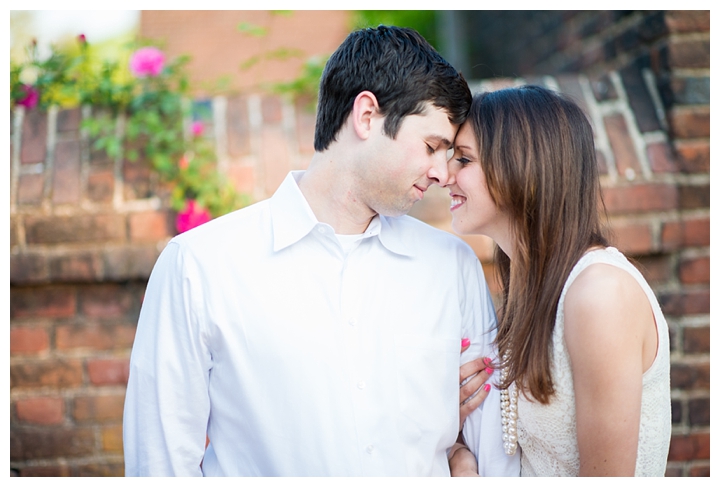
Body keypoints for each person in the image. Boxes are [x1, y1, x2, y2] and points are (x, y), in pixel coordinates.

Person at [123, 25, 519, 477]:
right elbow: (160, 463)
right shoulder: (200, 266)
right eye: (431, 147)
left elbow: (492, 450)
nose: (440, 172)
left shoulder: (453, 266)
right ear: (367, 115)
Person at [447, 85, 672, 476]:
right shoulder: (528, 288)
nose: (444, 173)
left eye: (463, 159)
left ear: (520, 167)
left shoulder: (599, 293)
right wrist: (461, 455)